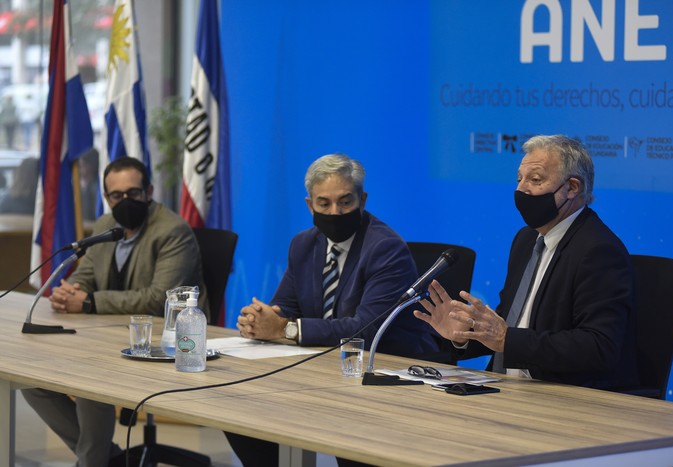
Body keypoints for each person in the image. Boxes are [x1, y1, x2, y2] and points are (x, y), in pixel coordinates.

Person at [229, 153, 437, 467]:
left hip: (386, 374)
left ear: (363, 200)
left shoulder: (385, 248)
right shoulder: (304, 244)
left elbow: (365, 329)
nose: (334, 212)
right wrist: (260, 320)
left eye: (345, 202)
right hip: (326, 368)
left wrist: (285, 329)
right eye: (324, 203)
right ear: (309, 205)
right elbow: (286, 305)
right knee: (238, 407)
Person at [21, 157, 208, 467]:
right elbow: (86, 276)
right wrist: (70, 292)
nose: (125, 201)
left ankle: (92, 462)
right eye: (116, 196)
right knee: (31, 380)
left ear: (148, 191)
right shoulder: (107, 225)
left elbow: (157, 299)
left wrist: (90, 302)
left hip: (163, 341)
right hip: (105, 336)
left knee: (89, 387)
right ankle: (106, 459)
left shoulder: (173, 231)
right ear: (106, 198)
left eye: (133, 193)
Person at [415, 135, 639, 390]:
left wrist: (507, 339)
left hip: (561, 396)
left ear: (572, 187)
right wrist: (465, 334)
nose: (521, 190)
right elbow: (511, 324)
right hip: (505, 387)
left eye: (535, 179)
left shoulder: (598, 250)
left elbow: (598, 346)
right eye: (519, 179)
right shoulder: (526, 240)